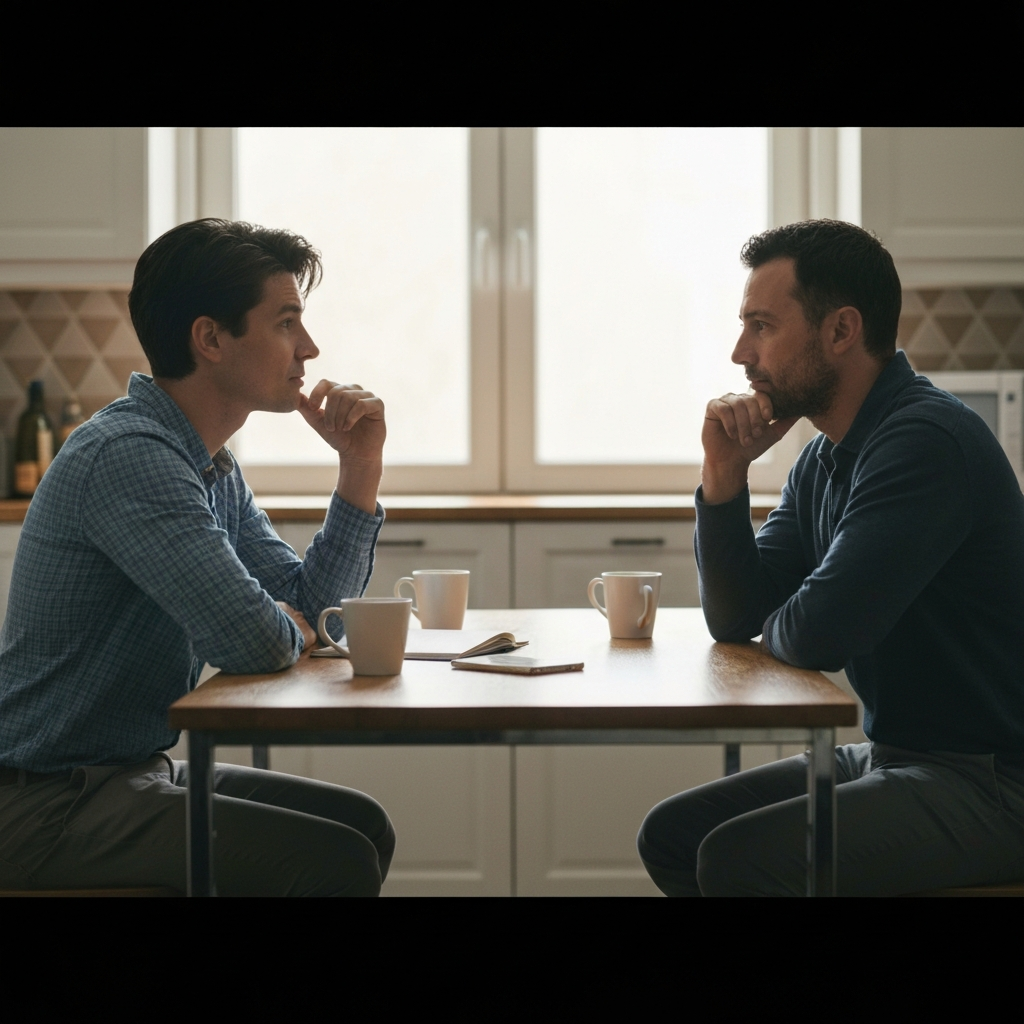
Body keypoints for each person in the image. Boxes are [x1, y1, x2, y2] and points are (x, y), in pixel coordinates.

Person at [0, 219, 395, 896]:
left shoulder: (207, 465)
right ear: (210, 339)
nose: (309, 347)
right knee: (333, 858)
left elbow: (316, 615)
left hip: (124, 773)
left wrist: (359, 470)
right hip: (44, 805)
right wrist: (275, 623)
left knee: (363, 825)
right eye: (285, 324)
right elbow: (254, 640)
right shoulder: (131, 457)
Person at [637, 220, 1024, 897]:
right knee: (674, 834)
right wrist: (723, 474)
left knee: (739, 859)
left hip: (991, 778)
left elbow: (820, 632)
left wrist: (799, 609)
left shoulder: (924, 444)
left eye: (762, 326)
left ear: (841, 331)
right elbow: (736, 618)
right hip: (894, 755)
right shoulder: (825, 455)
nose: (739, 353)